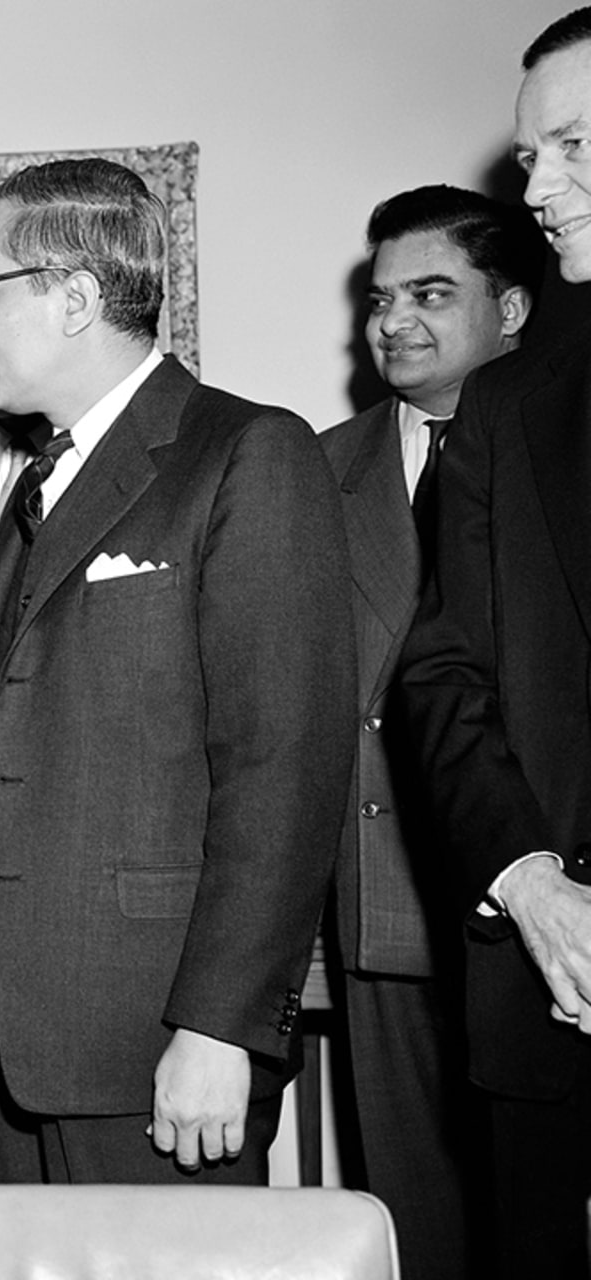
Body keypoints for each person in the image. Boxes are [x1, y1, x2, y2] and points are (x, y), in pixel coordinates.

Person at [0, 158, 354, 1184]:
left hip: (155, 1044)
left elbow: (283, 769)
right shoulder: (37, 481)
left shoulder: (246, 452)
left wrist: (222, 1025)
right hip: (16, 1049)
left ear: (73, 297)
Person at [317, 184, 541, 1280]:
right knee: (416, 1218)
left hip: (552, 903)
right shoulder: (317, 470)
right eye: (381, 296)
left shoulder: (567, 445)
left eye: (431, 293)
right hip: (384, 894)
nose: (394, 319)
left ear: (509, 309)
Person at [398, 12, 591, 1276]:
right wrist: (529, 879)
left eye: (575, 144)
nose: (541, 186)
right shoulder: (514, 398)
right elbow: (439, 668)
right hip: (555, 984)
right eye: (533, 153)